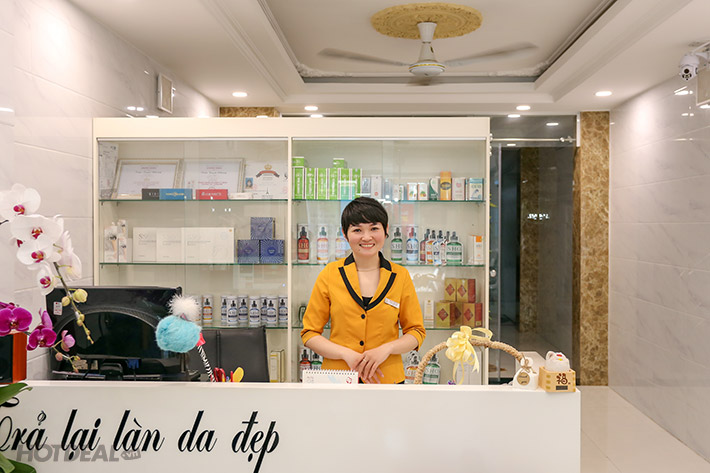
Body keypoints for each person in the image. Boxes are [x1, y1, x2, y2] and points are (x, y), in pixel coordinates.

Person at [300, 197, 426, 383]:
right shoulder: (330, 274)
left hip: (387, 380)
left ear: (386, 230)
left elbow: (416, 332)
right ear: (345, 233)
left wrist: (387, 349)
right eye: (357, 230)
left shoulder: (400, 276)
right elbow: (309, 333)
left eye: (374, 228)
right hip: (338, 379)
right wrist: (345, 354)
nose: (366, 237)